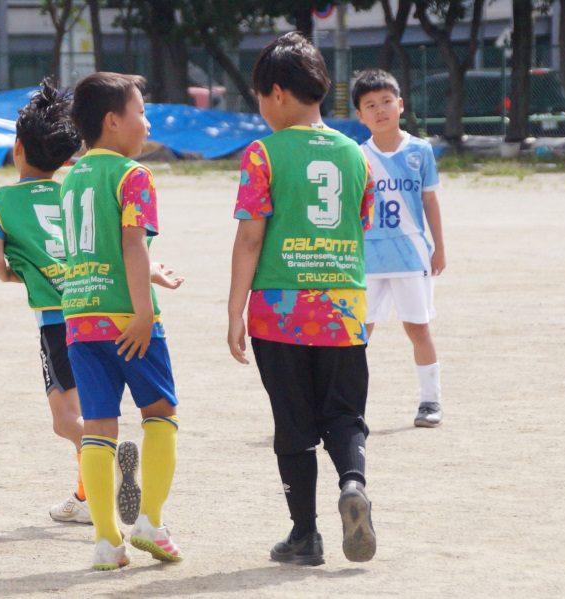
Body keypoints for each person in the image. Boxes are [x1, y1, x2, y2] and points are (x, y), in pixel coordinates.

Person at [227, 32, 377, 566]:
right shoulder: (357, 155)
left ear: (277, 93)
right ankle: (353, 483)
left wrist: (234, 310)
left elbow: (251, 237)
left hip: (279, 312)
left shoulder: (263, 153)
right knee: (344, 413)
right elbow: (360, 227)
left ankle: (304, 535)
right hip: (342, 306)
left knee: (293, 424)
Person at [61, 71, 184, 571]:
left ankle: (107, 542)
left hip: (79, 317)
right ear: (113, 121)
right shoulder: (134, 176)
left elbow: (99, 249)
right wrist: (142, 311)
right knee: (161, 414)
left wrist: (148, 270)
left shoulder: (72, 178)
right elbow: (132, 243)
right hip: (126, 316)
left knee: (98, 427)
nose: (147, 122)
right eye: (141, 111)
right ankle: (150, 522)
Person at [0, 77, 95, 525]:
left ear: (18, 149)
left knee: (66, 420)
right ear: (65, 158)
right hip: (96, 304)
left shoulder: (0, 200)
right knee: (90, 405)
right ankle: (86, 498)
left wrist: (20, 274)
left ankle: (106, 453)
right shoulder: (73, 190)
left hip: (56, 320)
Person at [352, 69, 445, 428]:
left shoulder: (420, 151)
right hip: (368, 257)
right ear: (359, 115)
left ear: (401, 105)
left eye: (386, 102)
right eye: (370, 105)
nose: (380, 110)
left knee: (418, 328)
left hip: (410, 255)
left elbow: (430, 201)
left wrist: (439, 247)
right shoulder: (357, 155)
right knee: (358, 334)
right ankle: (349, 407)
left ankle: (430, 401)